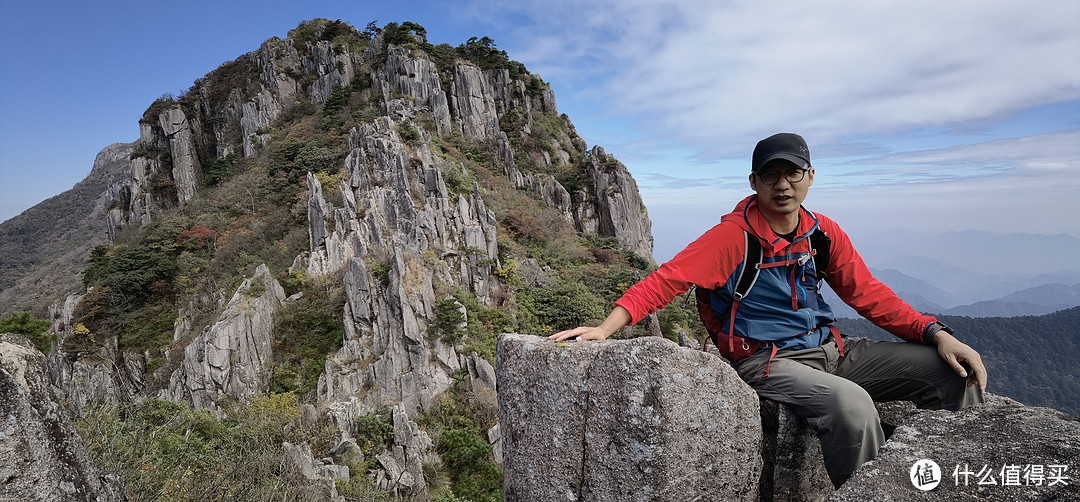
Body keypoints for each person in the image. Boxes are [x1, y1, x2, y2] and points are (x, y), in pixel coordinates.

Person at [549, 132, 986, 488]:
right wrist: (607, 328)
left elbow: (869, 294)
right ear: (754, 182)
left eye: (792, 173)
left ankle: (948, 484)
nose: (783, 184)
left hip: (831, 351)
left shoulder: (822, 233)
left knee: (951, 371)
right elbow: (668, 280)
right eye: (771, 175)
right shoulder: (732, 238)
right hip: (766, 360)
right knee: (852, 406)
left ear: (810, 176)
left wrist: (936, 333)